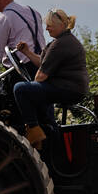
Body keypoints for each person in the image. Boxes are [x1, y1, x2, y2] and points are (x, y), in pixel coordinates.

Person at [13, 9, 87, 148]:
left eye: (49, 25)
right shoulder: (63, 41)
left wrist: (31, 88)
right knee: (38, 97)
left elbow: (41, 76)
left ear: (61, 25)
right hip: (71, 89)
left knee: (20, 89)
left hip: (67, 89)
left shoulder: (60, 44)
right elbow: (43, 62)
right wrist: (27, 52)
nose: (46, 28)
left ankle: (34, 131)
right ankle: (51, 137)